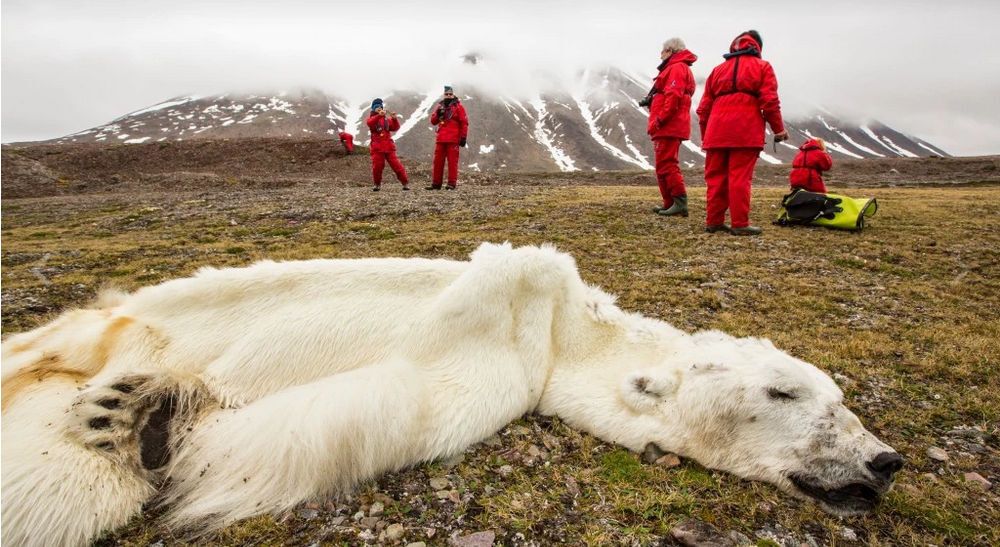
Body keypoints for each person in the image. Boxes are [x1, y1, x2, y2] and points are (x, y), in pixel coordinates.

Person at [696, 30, 788, 235]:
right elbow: (770, 102)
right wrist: (778, 129)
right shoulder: (763, 67)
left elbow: (703, 109)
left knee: (715, 178)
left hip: (716, 132)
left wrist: (706, 136)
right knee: (739, 178)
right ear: (758, 47)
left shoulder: (717, 70)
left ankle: (714, 221)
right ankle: (739, 224)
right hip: (745, 130)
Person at [646, 37, 697, 217]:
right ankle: (669, 203)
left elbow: (673, 96)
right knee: (663, 164)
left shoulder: (676, 68)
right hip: (668, 125)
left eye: (663, 51)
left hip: (668, 125)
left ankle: (679, 202)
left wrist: (660, 119)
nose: (660, 54)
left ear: (670, 51)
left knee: (668, 163)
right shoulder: (676, 68)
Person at [427, 85, 469, 190]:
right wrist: (437, 114)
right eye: (447, 94)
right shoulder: (440, 106)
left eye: (450, 94)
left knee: (452, 162)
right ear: (444, 95)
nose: (449, 96)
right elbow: (433, 121)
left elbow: (464, 122)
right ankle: (436, 184)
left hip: (453, 139)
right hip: (441, 139)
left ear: (453, 95)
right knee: (437, 162)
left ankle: (451, 184)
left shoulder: (459, 107)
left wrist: (463, 137)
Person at [366, 98, 409, 191]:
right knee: (377, 167)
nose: (379, 108)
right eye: (376, 107)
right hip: (377, 148)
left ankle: (405, 183)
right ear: (373, 109)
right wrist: (378, 116)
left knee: (397, 166)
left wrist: (394, 119)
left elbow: (395, 127)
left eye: (380, 107)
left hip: (389, 147)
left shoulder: (387, 120)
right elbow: (370, 123)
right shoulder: (372, 118)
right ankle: (377, 184)